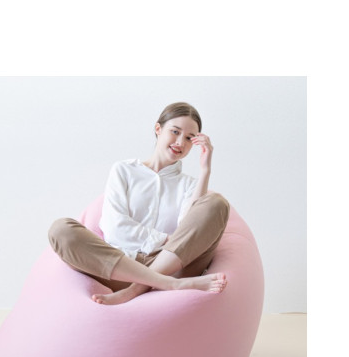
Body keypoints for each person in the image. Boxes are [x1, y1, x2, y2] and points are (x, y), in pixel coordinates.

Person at [48, 102, 230, 305]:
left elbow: (188, 236)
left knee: (216, 203)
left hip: (171, 266)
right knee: (61, 229)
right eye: (175, 131)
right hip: (120, 267)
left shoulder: (190, 185)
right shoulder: (124, 170)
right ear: (158, 129)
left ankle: (136, 290)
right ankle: (166, 284)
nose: (180, 142)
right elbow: (115, 228)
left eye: (189, 138)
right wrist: (164, 238)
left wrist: (205, 171)